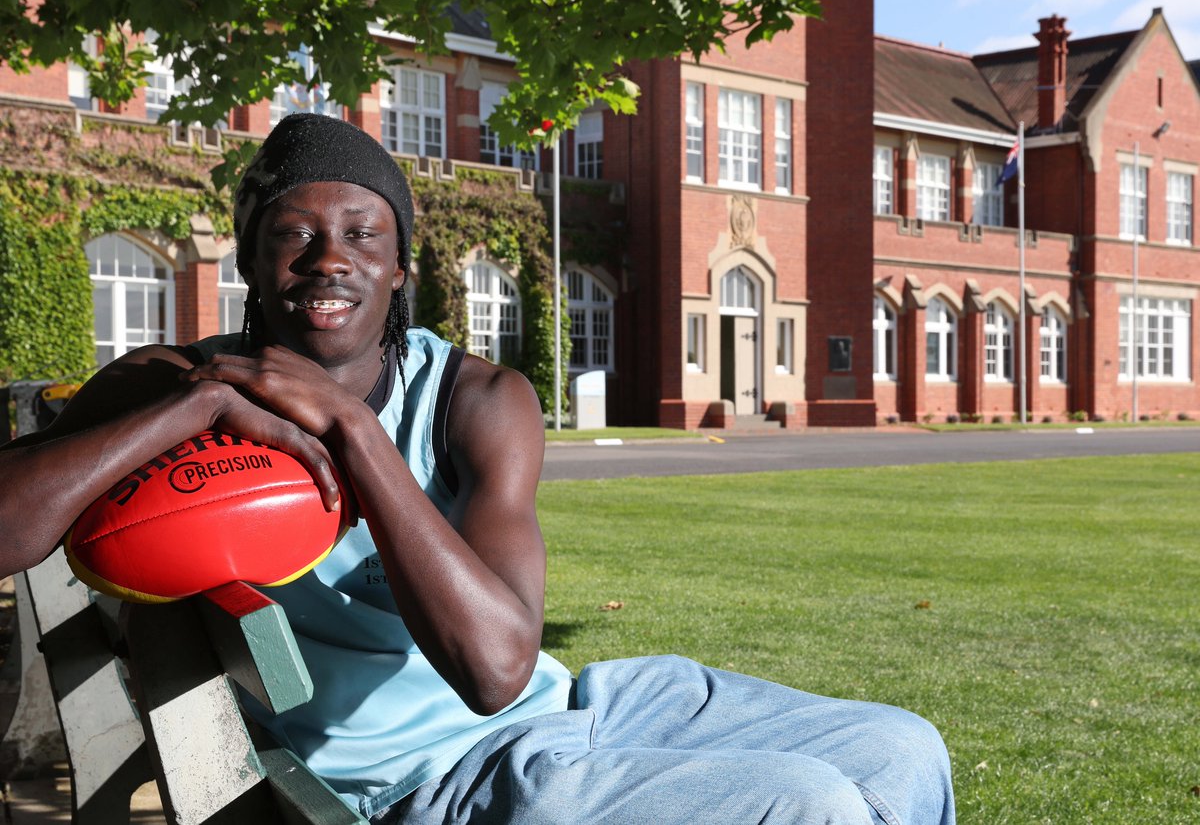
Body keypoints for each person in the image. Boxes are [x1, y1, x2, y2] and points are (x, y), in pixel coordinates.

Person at [0, 114, 955, 824]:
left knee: (905, 748)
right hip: (435, 777)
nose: (329, 259)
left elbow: (502, 664)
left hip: (570, 707)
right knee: (809, 805)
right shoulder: (182, 384)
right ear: (252, 256)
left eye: (363, 234)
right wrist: (199, 407)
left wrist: (350, 429)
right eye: (294, 234)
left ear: (401, 265)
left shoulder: (478, 397)